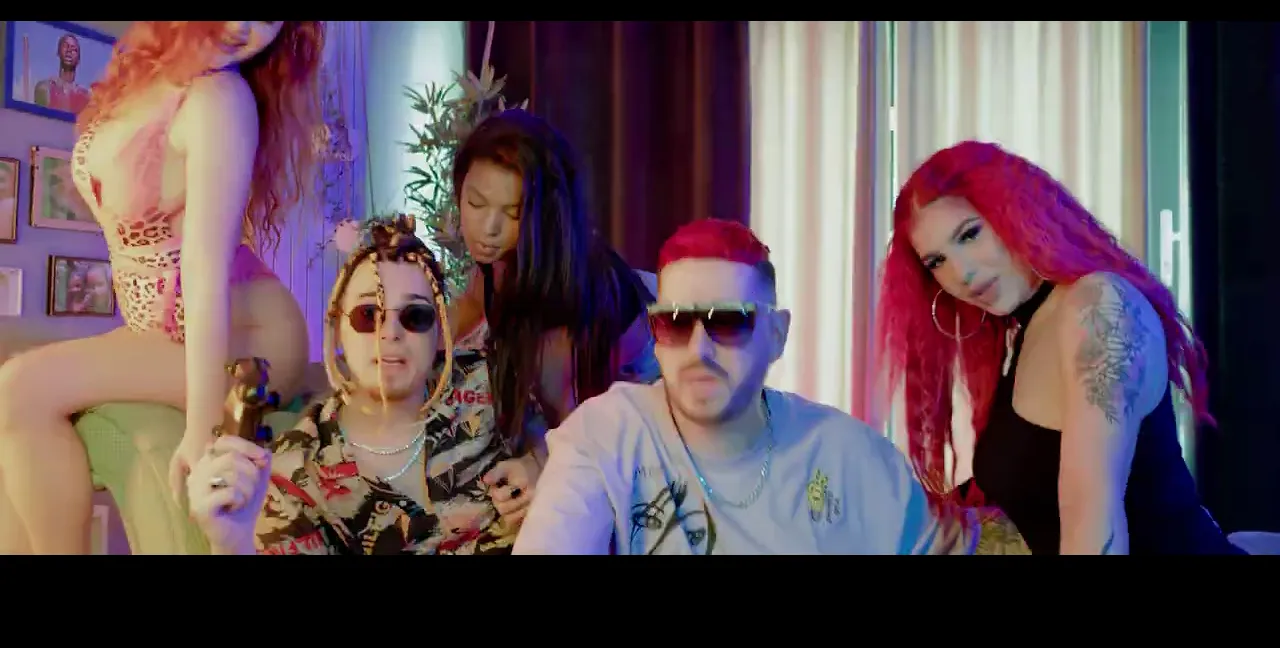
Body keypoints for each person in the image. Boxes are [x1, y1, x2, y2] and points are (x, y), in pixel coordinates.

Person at [0, 21, 322, 554]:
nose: (246, 27)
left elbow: (204, 268)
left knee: (19, 386)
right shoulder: (142, 80)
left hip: (252, 343)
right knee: (12, 397)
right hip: (167, 329)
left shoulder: (219, 100)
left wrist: (201, 428)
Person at [513, 218, 975, 555]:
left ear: (776, 334)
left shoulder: (850, 455)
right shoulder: (606, 434)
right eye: (675, 323)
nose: (699, 350)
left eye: (729, 322)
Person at [875, 140, 1243, 555]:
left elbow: (1092, 526)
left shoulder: (1098, 306)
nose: (962, 272)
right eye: (936, 261)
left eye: (970, 234)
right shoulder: (1019, 336)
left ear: (1017, 209)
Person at [186, 215, 516, 555]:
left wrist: (537, 461)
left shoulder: (489, 383)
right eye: (368, 314)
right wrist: (231, 543)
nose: (390, 333)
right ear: (337, 329)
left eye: (415, 316)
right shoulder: (296, 473)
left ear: (440, 331)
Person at [446, 109, 659, 520]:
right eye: (475, 202)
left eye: (512, 213)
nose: (487, 228)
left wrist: (538, 465)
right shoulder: (503, 259)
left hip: (640, 441)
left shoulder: (566, 294)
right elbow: (466, 310)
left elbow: (575, 426)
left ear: (544, 215)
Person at [33, 33, 91, 114]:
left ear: (78, 60)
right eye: (66, 46)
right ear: (58, 51)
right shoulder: (45, 88)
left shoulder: (86, 97)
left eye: (74, 49)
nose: (69, 50)